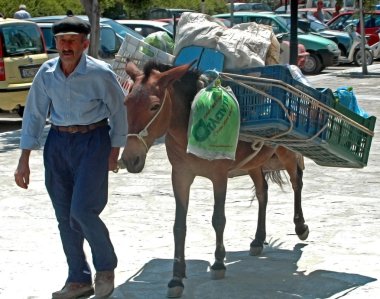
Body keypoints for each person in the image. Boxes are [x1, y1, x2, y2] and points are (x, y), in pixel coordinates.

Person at [14, 16, 127, 299]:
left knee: (82, 211)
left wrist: (114, 150)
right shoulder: (47, 73)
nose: (66, 46)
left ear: (84, 44)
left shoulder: (100, 73)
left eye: (72, 41)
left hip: (93, 142)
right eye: (61, 41)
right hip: (58, 144)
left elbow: (119, 112)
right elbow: (34, 115)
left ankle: (105, 265)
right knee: (64, 216)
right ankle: (78, 279)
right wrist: (24, 158)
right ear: (55, 44)